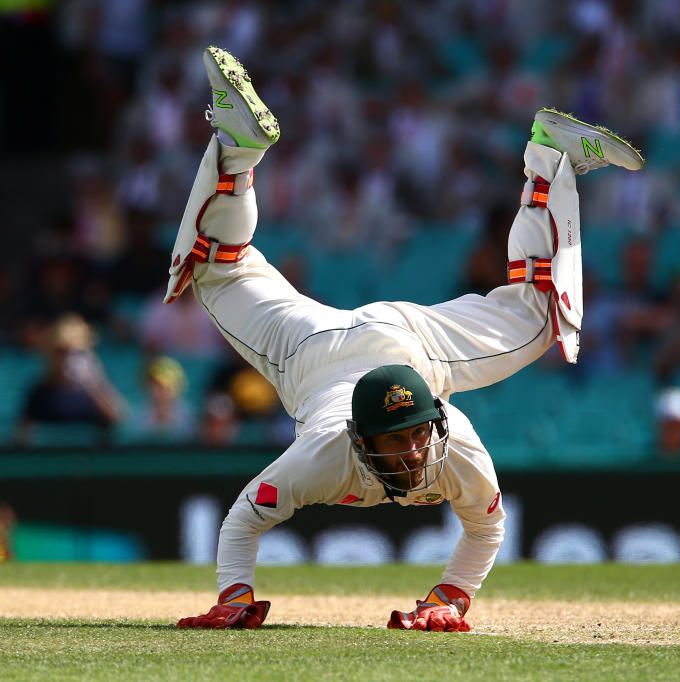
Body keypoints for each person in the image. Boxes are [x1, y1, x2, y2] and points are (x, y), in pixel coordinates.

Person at [172, 47, 643, 631]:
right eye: (397, 442)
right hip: (356, 347)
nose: (416, 452)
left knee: (217, 268)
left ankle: (239, 150)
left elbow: (486, 525)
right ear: (359, 441)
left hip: (368, 349)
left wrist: (448, 597)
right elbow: (244, 519)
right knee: (540, 315)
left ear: (438, 417)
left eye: (417, 434)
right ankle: (547, 157)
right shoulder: (323, 456)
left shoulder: (450, 439)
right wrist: (234, 601)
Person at [16, 313, 124, 444]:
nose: (67, 358)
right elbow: (21, 435)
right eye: (61, 351)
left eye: (75, 352)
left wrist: (93, 383)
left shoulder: (96, 390)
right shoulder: (39, 392)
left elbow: (117, 421)